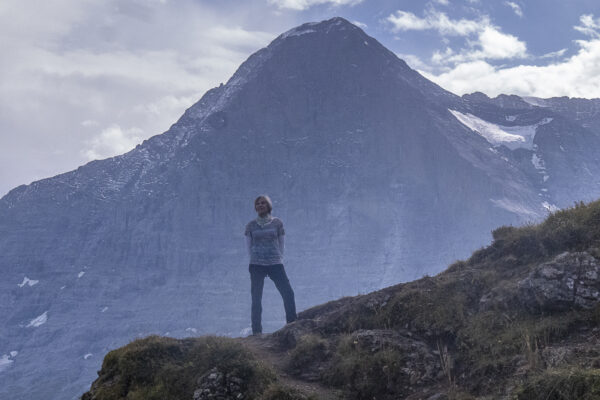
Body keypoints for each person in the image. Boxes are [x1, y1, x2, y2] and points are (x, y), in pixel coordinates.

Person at [245, 195, 297, 335]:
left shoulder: (277, 223)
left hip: (275, 264)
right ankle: (257, 332)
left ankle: (292, 325)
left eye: (263, 203)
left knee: (288, 293)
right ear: (255, 207)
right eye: (258, 203)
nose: (260, 205)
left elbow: (281, 244)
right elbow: (249, 247)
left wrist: (277, 258)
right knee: (256, 298)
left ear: (268, 206)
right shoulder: (250, 225)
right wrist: (256, 259)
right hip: (256, 265)